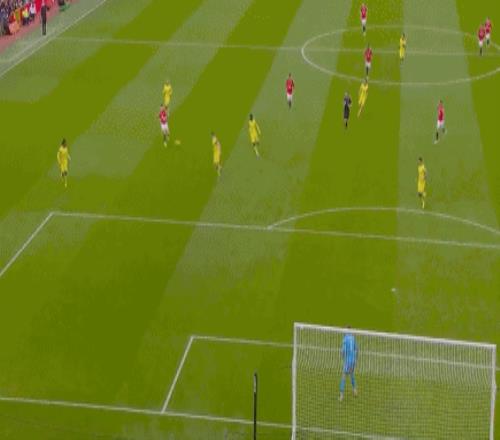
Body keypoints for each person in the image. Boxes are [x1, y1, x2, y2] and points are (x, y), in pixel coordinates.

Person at [339, 327, 358, 402]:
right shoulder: (353, 338)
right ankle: (355, 390)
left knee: (343, 376)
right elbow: (357, 349)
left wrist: (342, 356)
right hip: (353, 361)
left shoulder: (345, 339)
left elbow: (343, 351)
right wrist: (356, 359)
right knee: (351, 374)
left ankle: (341, 395)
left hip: (347, 361)